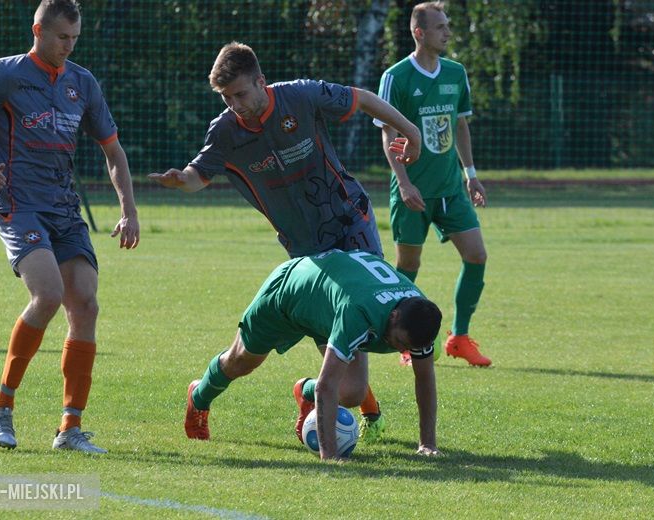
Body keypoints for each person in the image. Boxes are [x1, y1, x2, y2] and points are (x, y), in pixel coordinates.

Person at [149, 41, 423, 441]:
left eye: (241, 94)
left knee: (349, 386)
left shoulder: (301, 95)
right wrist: (180, 181)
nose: (235, 105)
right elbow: (197, 176)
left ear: (262, 81)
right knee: (245, 358)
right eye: (226, 98)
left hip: (353, 226)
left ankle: (316, 394)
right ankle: (201, 393)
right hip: (309, 258)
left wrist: (411, 131)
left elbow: (362, 98)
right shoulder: (225, 131)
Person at [0, 0, 140, 453]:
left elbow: (114, 151)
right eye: (61, 37)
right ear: (38, 31)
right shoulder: (6, 74)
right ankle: (1, 408)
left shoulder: (82, 83)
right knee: (47, 294)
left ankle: (70, 429)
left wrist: (130, 210)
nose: (68, 47)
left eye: (74, 39)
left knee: (84, 305)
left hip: (64, 209)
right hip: (18, 204)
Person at [182, 249, 443, 460]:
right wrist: (329, 455)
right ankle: (199, 396)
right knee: (240, 362)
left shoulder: (420, 318)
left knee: (353, 391)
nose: (400, 350)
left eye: (407, 348)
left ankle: (303, 391)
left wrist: (427, 444)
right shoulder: (359, 313)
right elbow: (327, 386)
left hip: (328, 307)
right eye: (399, 342)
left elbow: (425, 378)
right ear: (394, 315)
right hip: (289, 294)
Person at [375, 1, 491, 367]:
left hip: (451, 189)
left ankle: (458, 337)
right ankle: (406, 341)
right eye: (440, 27)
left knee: (477, 256)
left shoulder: (456, 73)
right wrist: (404, 182)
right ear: (419, 32)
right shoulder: (396, 77)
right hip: (413, 191)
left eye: (447, 25)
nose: (448, 32)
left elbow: (459, 126)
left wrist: (471, 175)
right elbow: (388, 134)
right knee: (408, 266)